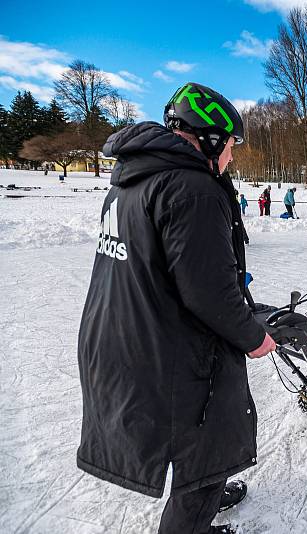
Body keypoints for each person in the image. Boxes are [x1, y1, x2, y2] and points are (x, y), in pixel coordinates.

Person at [77, 82, 276, 534]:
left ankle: (202, 488)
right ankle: (196, 508)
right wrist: (254, 337)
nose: (231, 157)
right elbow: (208, 294)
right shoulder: (194, 188)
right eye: (229, 145)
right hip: (167, 350)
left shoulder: (132, 181)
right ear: (208, 138)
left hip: (122, 338)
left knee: (198, 442)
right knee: (211, 439)